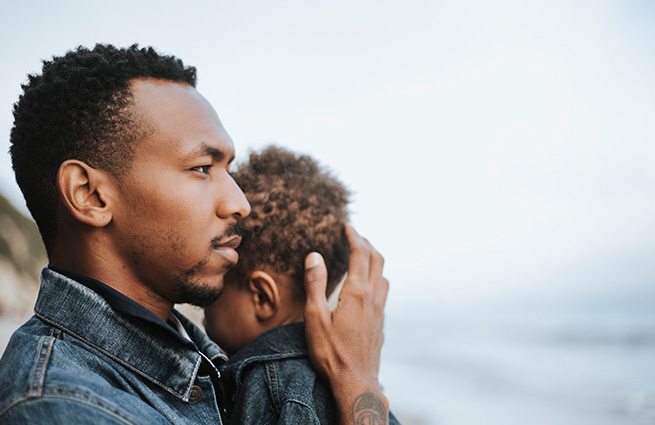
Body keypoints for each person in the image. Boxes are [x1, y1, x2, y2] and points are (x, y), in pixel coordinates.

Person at [0, 44, 390, 425]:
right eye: (202, 168)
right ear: (91, 195)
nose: (240, 202)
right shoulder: (64, 405)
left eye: (229, 169)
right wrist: (357, 383)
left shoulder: (203, 358)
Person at [204, 145, 400, 424]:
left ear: (263, 296)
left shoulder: (269, 386)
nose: (205, 297)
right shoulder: (354, 383)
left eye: (222, 273)